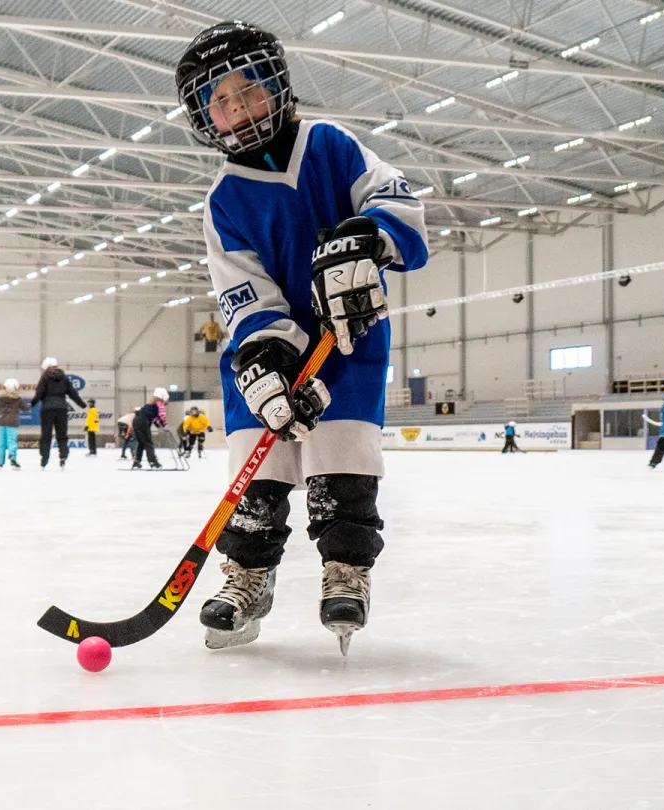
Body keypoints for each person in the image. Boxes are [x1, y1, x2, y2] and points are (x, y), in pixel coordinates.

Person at [175, 21, 428, 653]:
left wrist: (369, 235)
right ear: (206, 119)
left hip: (348, 344)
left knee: (343, 469)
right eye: (222, 101)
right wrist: (268, 353)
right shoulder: (223, 198)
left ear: (277, 86)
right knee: (259, 475)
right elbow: (242, 287)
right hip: (270, 355)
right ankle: (247, 578)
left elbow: (396, 202)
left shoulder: (330, 145)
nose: (238, 109)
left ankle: (346, 571)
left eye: (248, 91)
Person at [31, 357, 86, 468]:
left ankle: (44, 457)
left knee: (46, 434)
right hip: (61, 408)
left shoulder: (45, 378)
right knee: (62, 434)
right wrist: (82, 404)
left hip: (47, 409)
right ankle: (63, 456)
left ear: (47, 367)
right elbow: (72, 393)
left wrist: (32, 404)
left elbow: (39, 393)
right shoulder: (64, 378)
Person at [0, 377, 25, 469]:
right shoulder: (18, 399)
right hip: (12, 423)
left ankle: (0, 462)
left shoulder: (0, 399)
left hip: (1, 422)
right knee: (11, 440)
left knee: (0, 442)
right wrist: (31, 405)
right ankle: (12, 457)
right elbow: (25, 408)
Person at [131, 388, 170, 469]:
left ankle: (136, 462)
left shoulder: (149, 404)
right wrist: (165, 424)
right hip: (143, 422)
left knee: (141, 443)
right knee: (148, 443)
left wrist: (160, 425)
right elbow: (161, 415)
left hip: (136, 421)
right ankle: (153, 462)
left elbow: (155, 419)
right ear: (163, 397)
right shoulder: (159, 403)